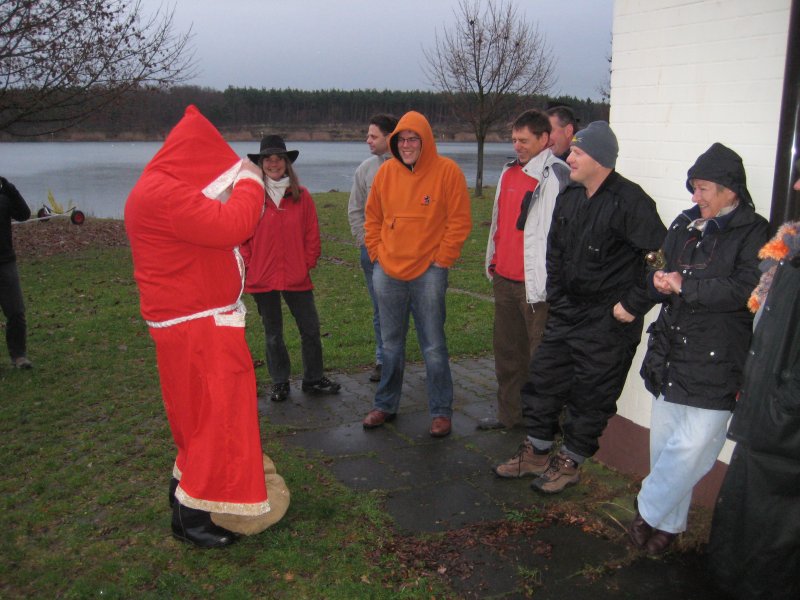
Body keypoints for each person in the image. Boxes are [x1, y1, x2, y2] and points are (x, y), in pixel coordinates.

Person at [493, 121, 666, 492]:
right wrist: (556, 295)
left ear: (599, 159)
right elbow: (554, 251)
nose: (568, 157)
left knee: (591, 395)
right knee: (543, 380)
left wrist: (632, 304)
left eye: (577, 152)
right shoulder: (570, 196)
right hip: (566, 312)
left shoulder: (631, 202)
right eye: (571, 151)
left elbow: (660, 262)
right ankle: (537, 451)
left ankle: (570, 462)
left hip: (608, 321)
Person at [125, 105, 270, 548]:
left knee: (193, 415)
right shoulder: (166, 193)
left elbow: (207, 238)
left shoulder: (154, 188)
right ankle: (191, 517)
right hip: (198, 328)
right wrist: (251, 181)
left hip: (187, 323)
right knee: (216, 417)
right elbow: (233, 225)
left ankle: (183, 492)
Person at [628, 143, 769, 556]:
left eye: (703, 188)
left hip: (718, 357)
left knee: (695, 448)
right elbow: (659, 264)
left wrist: (685, 286)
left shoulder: (755, 231)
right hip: (672, 350)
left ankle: (647, 508)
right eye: (693, 187)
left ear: (730, 189)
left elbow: (747, 290)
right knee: (666, 446)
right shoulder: (684, 222)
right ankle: (669, 525)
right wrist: (658, 279)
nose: (695, 196)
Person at [708, 166, 800, 599]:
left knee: (772, 536)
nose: (796, 185)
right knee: (746, 523)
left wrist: (783, 405)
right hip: (767, 409)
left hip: (785, 425)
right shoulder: (790, 245)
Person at [362, 110, 472, 438]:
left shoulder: (447, 172)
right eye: (402, 139)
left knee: (433, 345)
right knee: (390, 345)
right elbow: (372, 218)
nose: (407, 145)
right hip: (388, 272)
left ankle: (440, 412)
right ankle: (385, 404)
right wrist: (377, 255)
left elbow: (459, 221)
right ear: (394, 142)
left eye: (413, 139)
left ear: (426, 141)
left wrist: (442, 259)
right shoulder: (385, 173)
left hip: (429, 273)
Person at [481, 109, 570, 431]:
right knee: (508, 357)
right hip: (504, 280)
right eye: (514, 140)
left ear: (544, 139)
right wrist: (494, 263)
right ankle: (510, 418)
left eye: (523, 140)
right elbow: (498, 224)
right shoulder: (508, 173)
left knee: (542, 362)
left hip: (537, 289)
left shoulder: (557, 176)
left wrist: (553, 281)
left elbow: (565, 236)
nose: (517, 146)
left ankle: (544, 427)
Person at [242, 135, 340, 403]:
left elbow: (312, 235)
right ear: (261, 164)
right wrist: (251, 265)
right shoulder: (251, 196)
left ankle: (313, 379)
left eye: (278, 159)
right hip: (263, 277)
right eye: (268, 159)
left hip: (297, 276)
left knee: (310, 329)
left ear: (286, 163)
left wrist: (306, 263)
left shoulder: (302, 196)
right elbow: (242, 237)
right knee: (273, 334)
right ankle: (280, 382)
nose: (273, 164)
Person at [348, 113, 398, 383]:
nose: (367, 140)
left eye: (373, 136)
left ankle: (427, 360)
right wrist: (365, 243)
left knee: (418, 309)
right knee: (380, 309)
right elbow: (355, 209)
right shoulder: (366, 169)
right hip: (373, 255)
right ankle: (383, 360)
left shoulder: (411, 166)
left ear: (390, 137)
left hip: (407, 254)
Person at [0, 176, 32, 370]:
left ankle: (19, 356)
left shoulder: (4, 196)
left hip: (5, 262)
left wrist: (11, 189)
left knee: (16, 312)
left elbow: (24, 214)